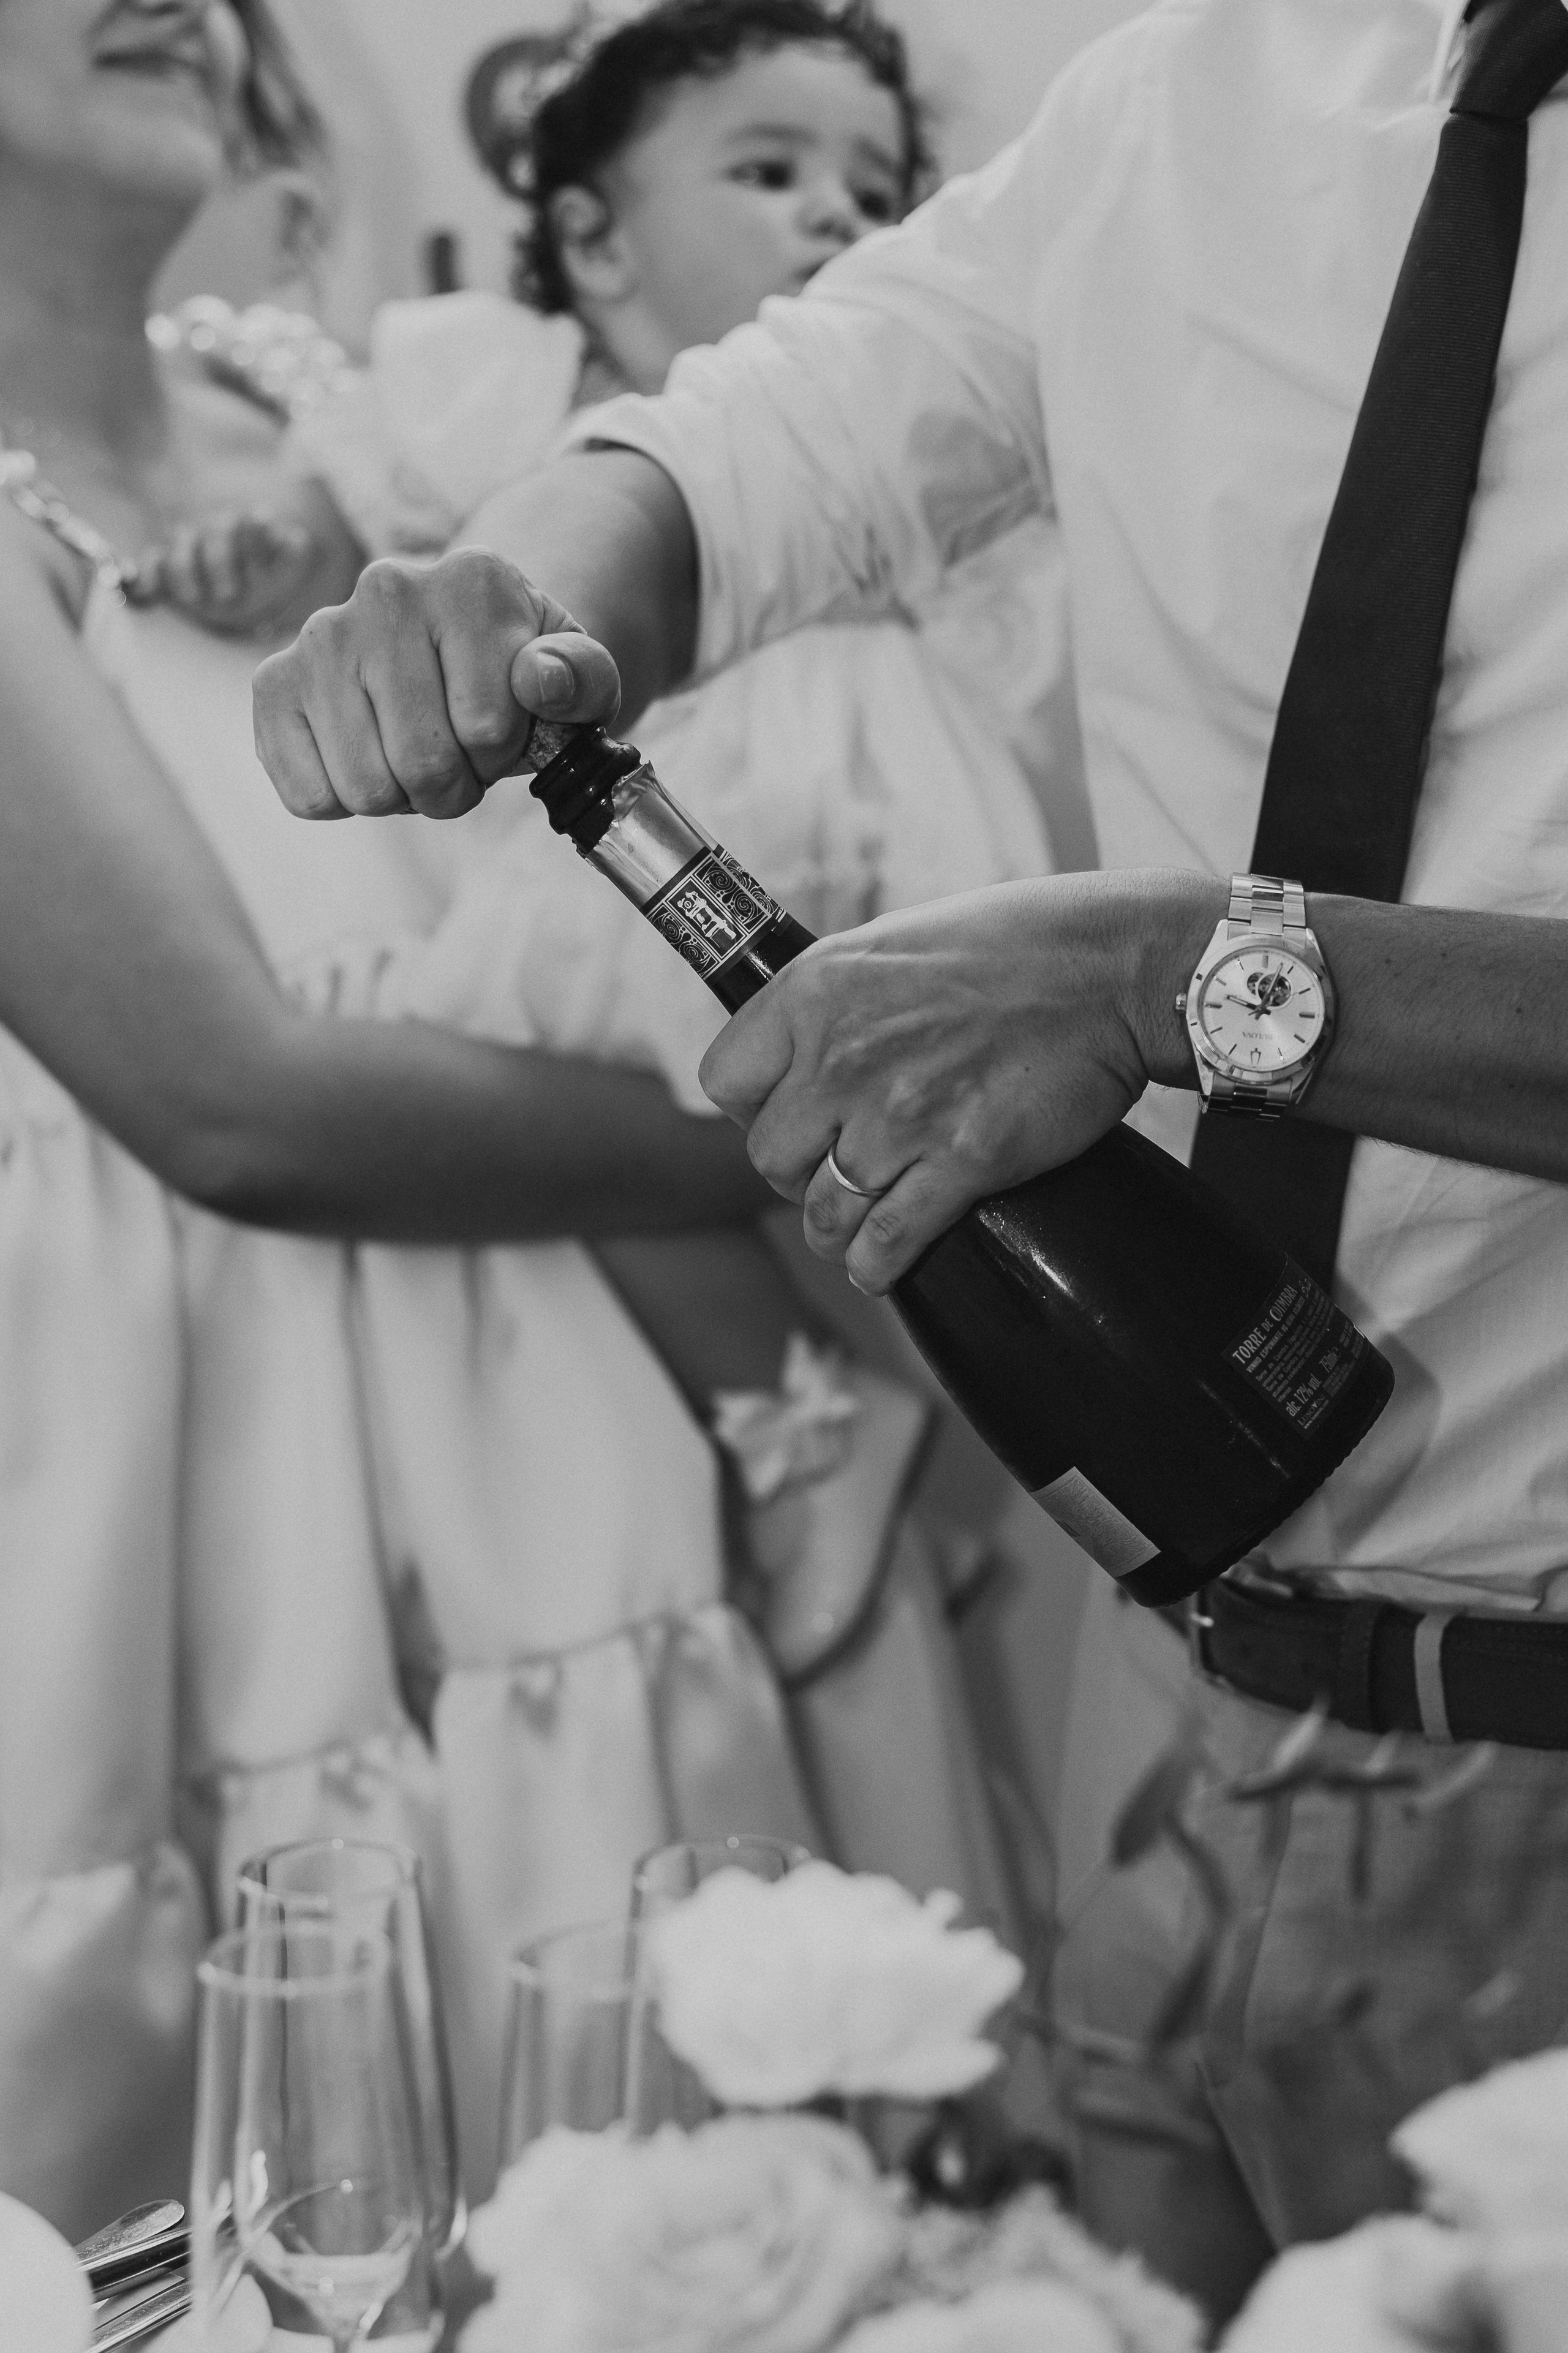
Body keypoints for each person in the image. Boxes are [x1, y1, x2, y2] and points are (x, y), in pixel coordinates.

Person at [254, 0, 1568, 2324]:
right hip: (1150, 1702)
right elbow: (751, 454)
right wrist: (514, 593)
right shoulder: (1202, 90)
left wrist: (1166, 979)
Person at [0, 0, 818, 2235]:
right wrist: (808, 1118)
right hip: (186, 1518)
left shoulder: (316, 413)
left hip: (543, 1428)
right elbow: (230, 1098)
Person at [153, 0, 1072, 1699]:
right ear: (590, 238)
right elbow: (358, 526)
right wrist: (258, 556)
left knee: (784, 1118)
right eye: (771, 169)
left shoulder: (892, 426)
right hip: (644, 819)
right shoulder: (512, 390)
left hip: (838, 822)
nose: (832, 218)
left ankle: (822, 1426)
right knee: (542, 1069)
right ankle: (797, 1420)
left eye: (872, 192)